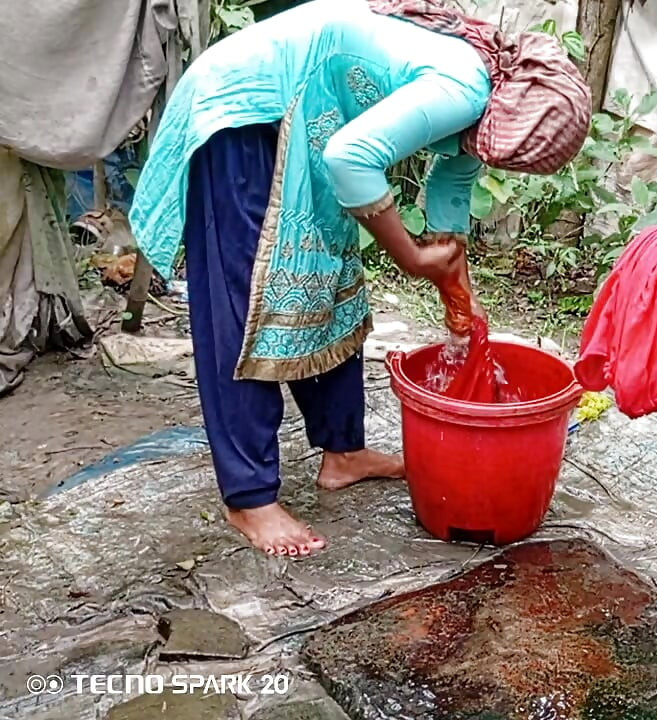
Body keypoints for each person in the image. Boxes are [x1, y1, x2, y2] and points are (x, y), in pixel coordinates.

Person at [127, 0, 590, 556]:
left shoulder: (485, 90)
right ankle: (249, 498)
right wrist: (411, 258)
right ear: (508, 121)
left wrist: (455, 287)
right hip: (253, 116)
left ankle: (342, 452)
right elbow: (351, 157)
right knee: (249, 302)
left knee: (328, 286)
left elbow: (452, 189)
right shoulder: (465, 84)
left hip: (309, 130)